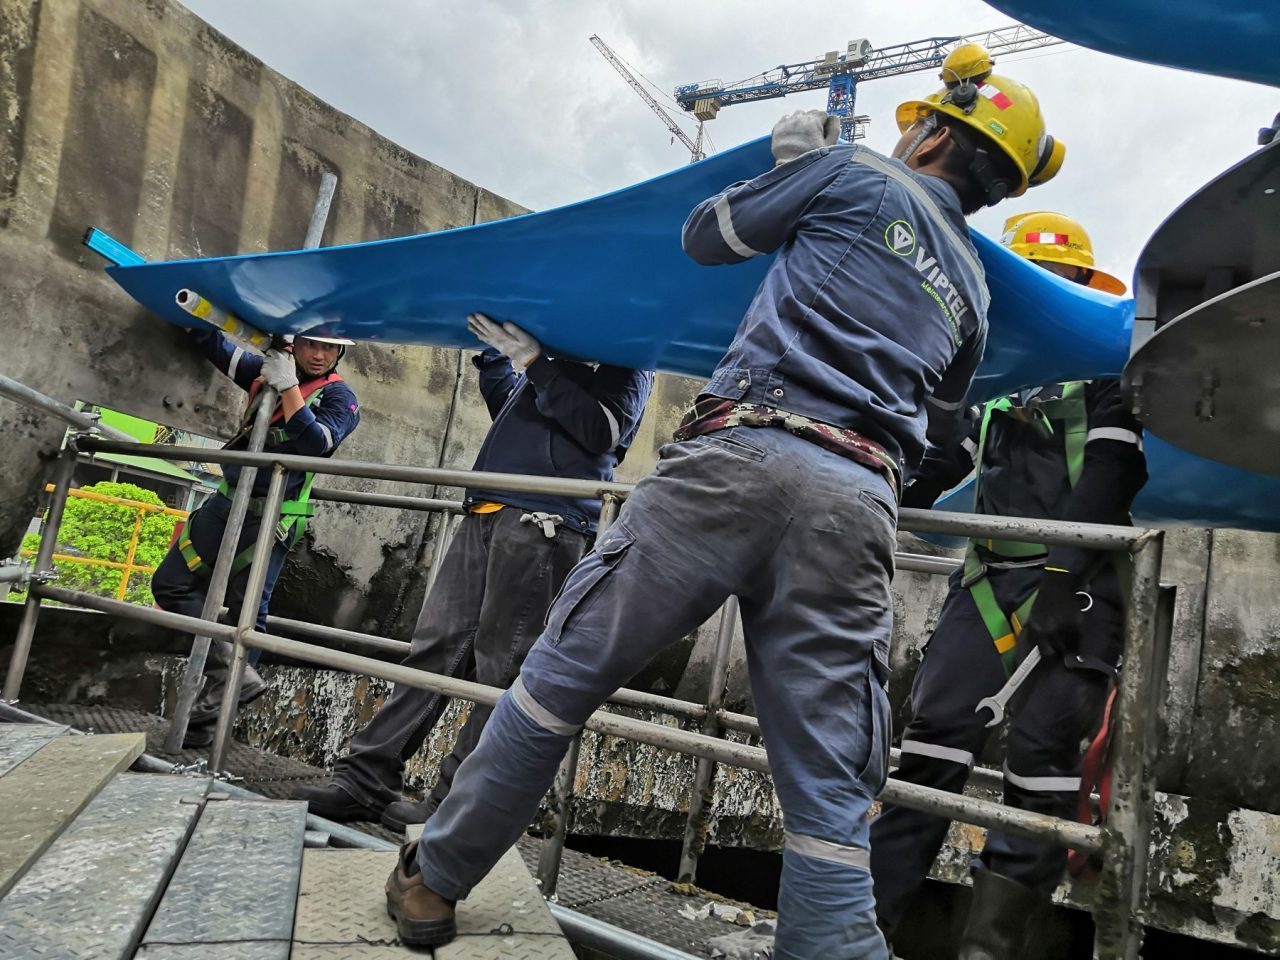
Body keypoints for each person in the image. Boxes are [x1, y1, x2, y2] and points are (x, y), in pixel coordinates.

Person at [384, 48, 1063, 959]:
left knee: (558, 682)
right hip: (859, 500)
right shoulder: (975, 289)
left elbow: (708, 237)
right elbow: (942, 435)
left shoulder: (856, 174)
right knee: (830, 785)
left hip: (736, 457)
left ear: (936, 133)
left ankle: (432, 882)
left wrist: (789, 166)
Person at [869, 211, 1145, 959]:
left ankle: (986, 950)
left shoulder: (1111, 378)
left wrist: (1062, 574)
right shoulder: (997, 382)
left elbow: (1114, 474)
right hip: (987, 582)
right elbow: (944, 460)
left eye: (1060, 282)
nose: (1046, 294)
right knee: (931, 751)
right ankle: (861, 933)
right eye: (1035, 281)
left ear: (1081, 291)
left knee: (1042, 767)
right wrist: (873, 491)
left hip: (1076, 588)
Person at [296, 313, 653, 830]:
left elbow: (604, 432)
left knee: (500, 669)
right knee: (434, 648)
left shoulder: (632, 353)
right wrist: (497, 357)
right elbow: (511, 405)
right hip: (489, 509)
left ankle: (455, 806)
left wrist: (536, 363)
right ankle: (364, 781)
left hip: (546, 520)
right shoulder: (557, 353)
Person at [151, 330, 360, 748]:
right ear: (295, 344)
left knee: (247, 614)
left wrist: (289, 387)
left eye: (329, 348)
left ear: (339, 353)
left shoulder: (340, 397)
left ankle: (213, 716)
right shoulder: (264, 371)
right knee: (171, 584)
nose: (319, 354)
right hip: (227, 501)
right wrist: (202, 315)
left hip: (272, 515)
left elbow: (316, 445)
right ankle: (232, 672)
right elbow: (215, 347)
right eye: (311, 344)